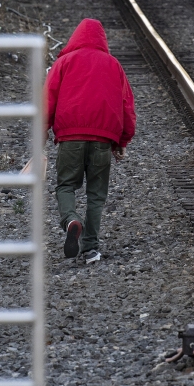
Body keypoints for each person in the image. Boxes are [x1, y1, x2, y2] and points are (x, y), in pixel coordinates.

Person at [45, 18, 136, 264]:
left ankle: (71, 220)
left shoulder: (64, 62)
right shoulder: (113, 64)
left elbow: (48, 98)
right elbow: (127, 105)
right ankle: (91, 248)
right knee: (96, 194)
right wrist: (123, 141)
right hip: (103, 141)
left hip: (70, 138)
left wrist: (42, 129)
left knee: (65, 186)